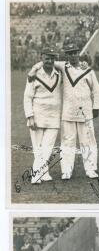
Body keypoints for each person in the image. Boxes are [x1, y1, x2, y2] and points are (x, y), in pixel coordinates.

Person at [28, 42, 99, 179]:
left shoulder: (88, 69)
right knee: (68, 142)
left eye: (74, 52)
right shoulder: (62, 66)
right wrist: (33, 70)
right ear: (66, 56)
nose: (72, 56)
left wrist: (96, 106)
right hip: (68, 112)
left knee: (88, 141)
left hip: (85, 111)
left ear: (78, 53)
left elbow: (96, 89)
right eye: (69, 53)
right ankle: (66, 170)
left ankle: (91, 169)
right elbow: (45, 61)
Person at [23, 46, 62, 184]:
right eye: (46, 58)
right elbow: (27, 97)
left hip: (54, 117)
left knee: (48, 148)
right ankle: (36, 175)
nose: (49, 61)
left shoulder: (59, 74)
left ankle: (43, 172)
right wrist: (30, 116)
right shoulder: (34, 75)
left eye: (52, 58)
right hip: (37, 116)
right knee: (38, 148)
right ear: (41, 58)